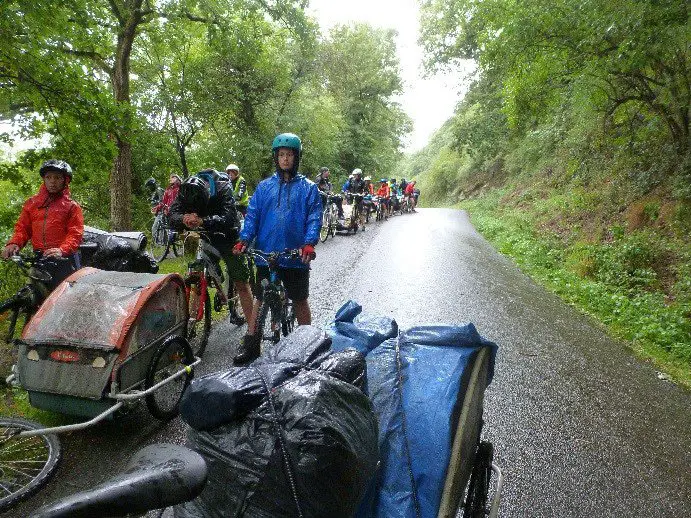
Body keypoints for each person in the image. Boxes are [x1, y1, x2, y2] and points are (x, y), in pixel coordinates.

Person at [232, 132, 322, 364]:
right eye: (281, 155)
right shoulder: (263, 188)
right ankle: (251, 343)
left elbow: (314, 217)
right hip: (266, 254)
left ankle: (307, 345)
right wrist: (244, 239)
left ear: (297, 157)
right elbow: (252, 216)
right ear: (275, 157)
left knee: (300, 299)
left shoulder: (309, 188)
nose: (285, 159)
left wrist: (309, 243)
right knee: (260, 298)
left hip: (295, 255)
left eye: (289, 155)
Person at [169, 169, 253, 327]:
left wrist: (203, 221)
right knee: (198, 266)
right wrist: (183, 218)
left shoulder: (222, 188)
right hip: (205, 234)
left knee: (241, 281)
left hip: (228, 234)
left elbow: (228, 217)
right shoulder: (185, 191)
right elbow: (172, 214)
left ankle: (253, 332)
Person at [2, 160, 84, 291]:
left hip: (65, 260)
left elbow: (75, 233)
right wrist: (14, 243)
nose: (52, 181)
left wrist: (62, 250)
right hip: (40, 258)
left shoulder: (72, 206)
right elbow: (23, 228)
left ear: (65, 180)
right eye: (48, 177)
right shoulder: (32, 203)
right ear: (44, 179)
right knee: (32, 297)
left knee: (64, 301)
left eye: (57, 177)